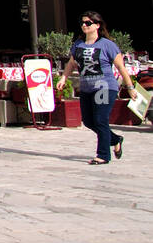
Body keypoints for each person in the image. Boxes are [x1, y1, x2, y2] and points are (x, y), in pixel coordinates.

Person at [57, 11, 138, 165]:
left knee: (101, 119)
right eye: (82, 23)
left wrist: (130, 87)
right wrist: (63, 77)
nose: (84, 25)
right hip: (87, 88)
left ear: (97, 25)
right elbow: (71, 64)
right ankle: (115, 139)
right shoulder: (78, 45)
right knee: (88, 121)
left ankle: (103, 155)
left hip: (105, 87)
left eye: (88, 23)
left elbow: (121, 67)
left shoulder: (107, 45)